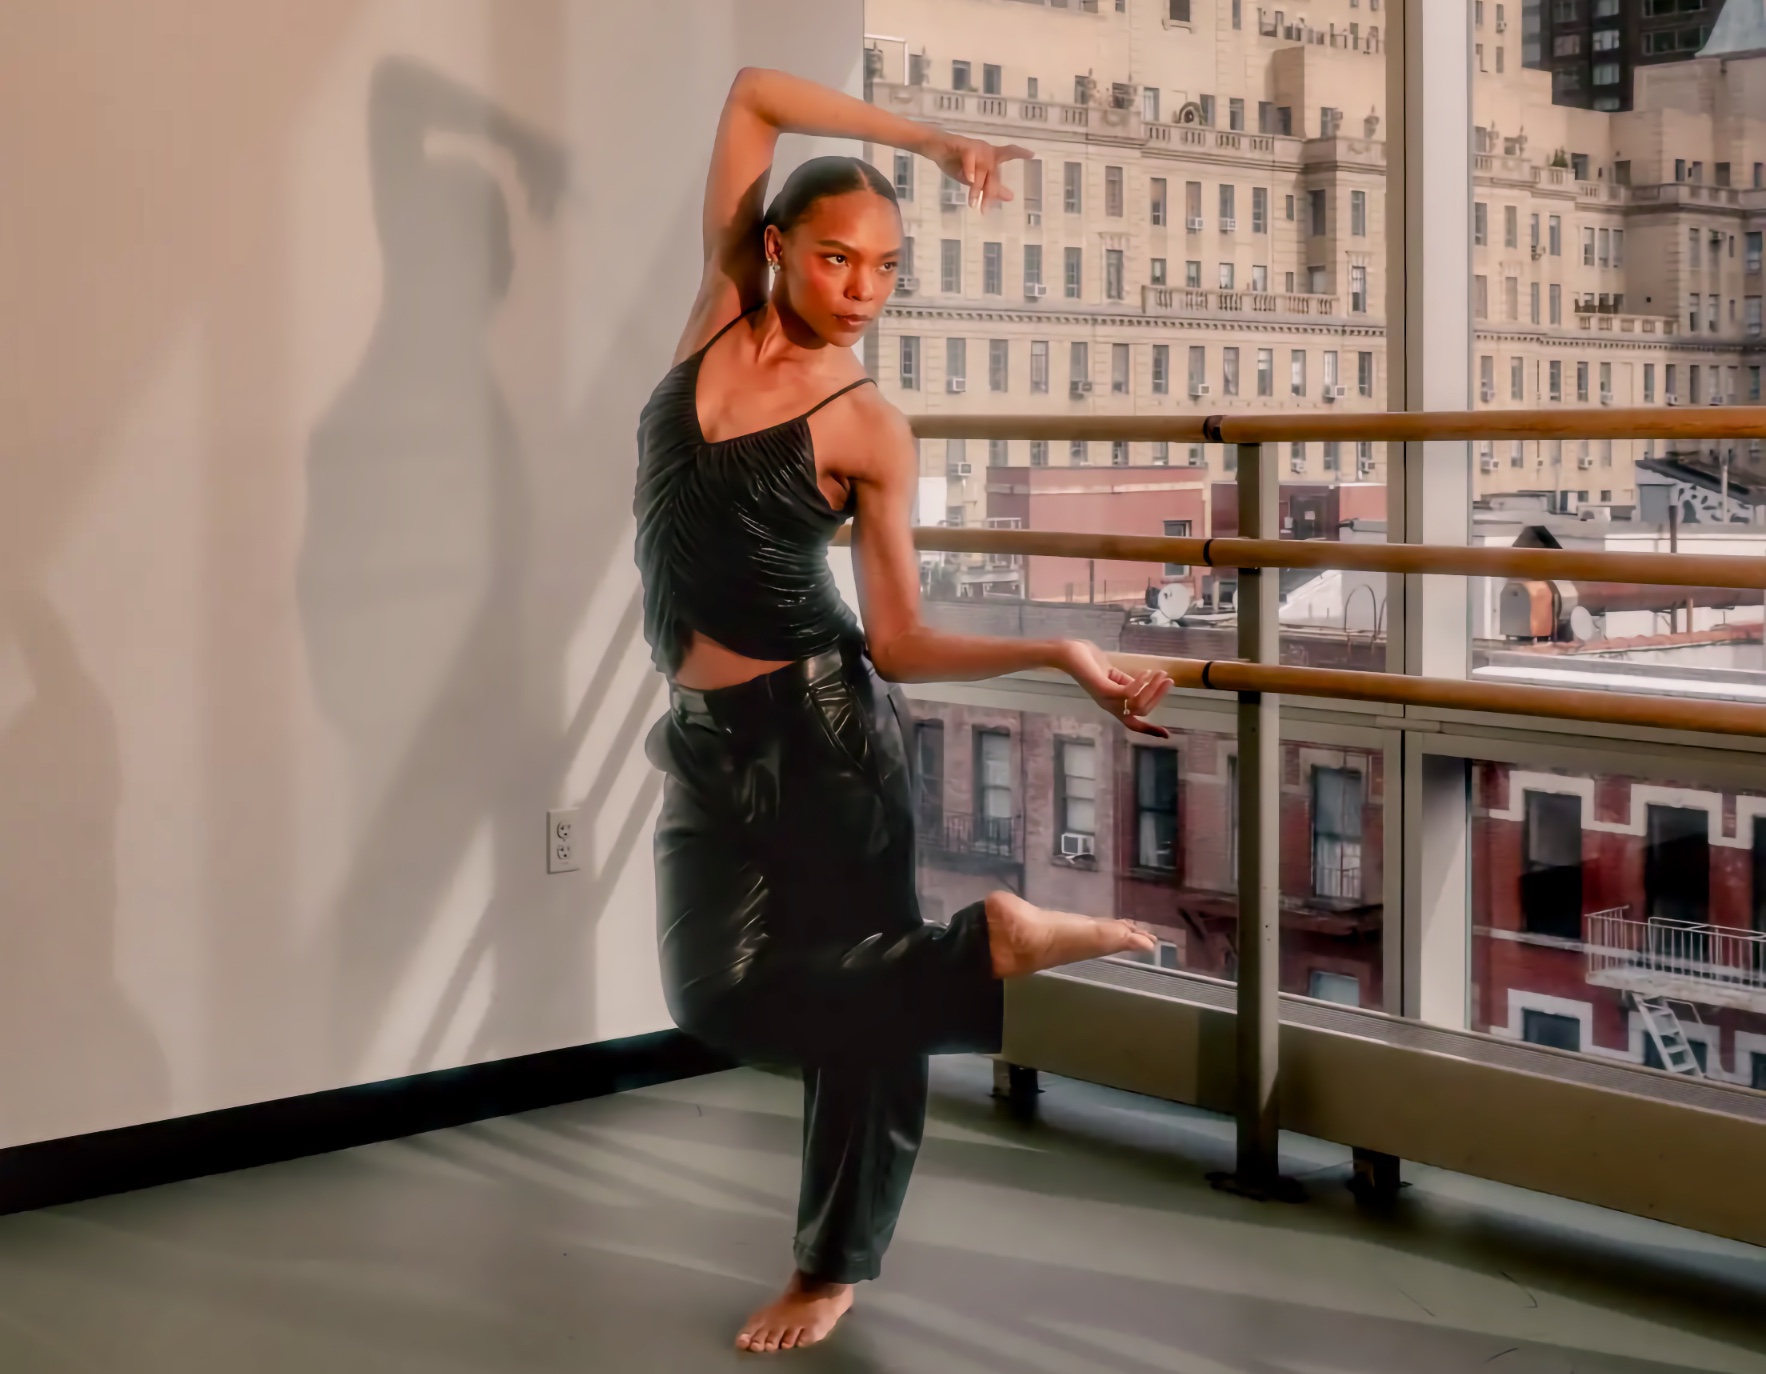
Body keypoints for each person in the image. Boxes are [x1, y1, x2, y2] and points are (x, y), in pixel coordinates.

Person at [634, 67, 1172, 1355]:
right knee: (713, 997)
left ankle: (832, 1267)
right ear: (775, 248)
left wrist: (1057, 644)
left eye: (886, 270)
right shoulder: (714, 318)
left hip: (826, 738)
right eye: (837, 260)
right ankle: (985, 949)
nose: (863, 290)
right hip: (706, 742)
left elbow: (898, 638)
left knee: (861, 1046)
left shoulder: (869, 422)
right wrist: (930, 138)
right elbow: (754, 96)